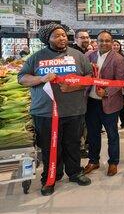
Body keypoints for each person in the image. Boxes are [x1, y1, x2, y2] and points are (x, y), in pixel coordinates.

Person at [18, 23, 92, 196]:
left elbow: (89, 77)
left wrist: (73, 87)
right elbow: (22, 78)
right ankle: (51, 176)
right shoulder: (36, 57)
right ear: (47, 39)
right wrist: (41, 78)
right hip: (45, 112)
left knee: (73, 143)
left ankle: (75, 172)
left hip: (74, 110)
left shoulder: (78, 56)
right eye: (57, 35)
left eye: (64, 35)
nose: (62, 38)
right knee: (50, 146)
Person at [84, 31, 124, 177]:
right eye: (101, 40)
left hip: (110, 103)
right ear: (97, 41)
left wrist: (107, 91)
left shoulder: (118, 59)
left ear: (112, 41)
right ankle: (93, 160)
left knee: (112, 134)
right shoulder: (89, 56)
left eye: (107, 41)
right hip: (91, 102)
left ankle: (113, 162)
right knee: (93, 133)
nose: (104, 43)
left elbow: (120, 81)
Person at [70, 29, 91, 157]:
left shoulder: (87, 52)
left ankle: (83, 145)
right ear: (76, 39)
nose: (85, 39)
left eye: (87, 37)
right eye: (82, 37)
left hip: (86, 93)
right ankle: (79, 147)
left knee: (84, 122)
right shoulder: (71, 53)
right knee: (78, 123)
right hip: (75, 93)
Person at [112, 40, 124, 130]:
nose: (115, 46)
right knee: (113, 105)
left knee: (123, 105)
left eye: (117, 45)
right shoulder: (109, 58)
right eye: (114, 45)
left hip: (122, 85)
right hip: (111, 86)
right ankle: (114, 122)